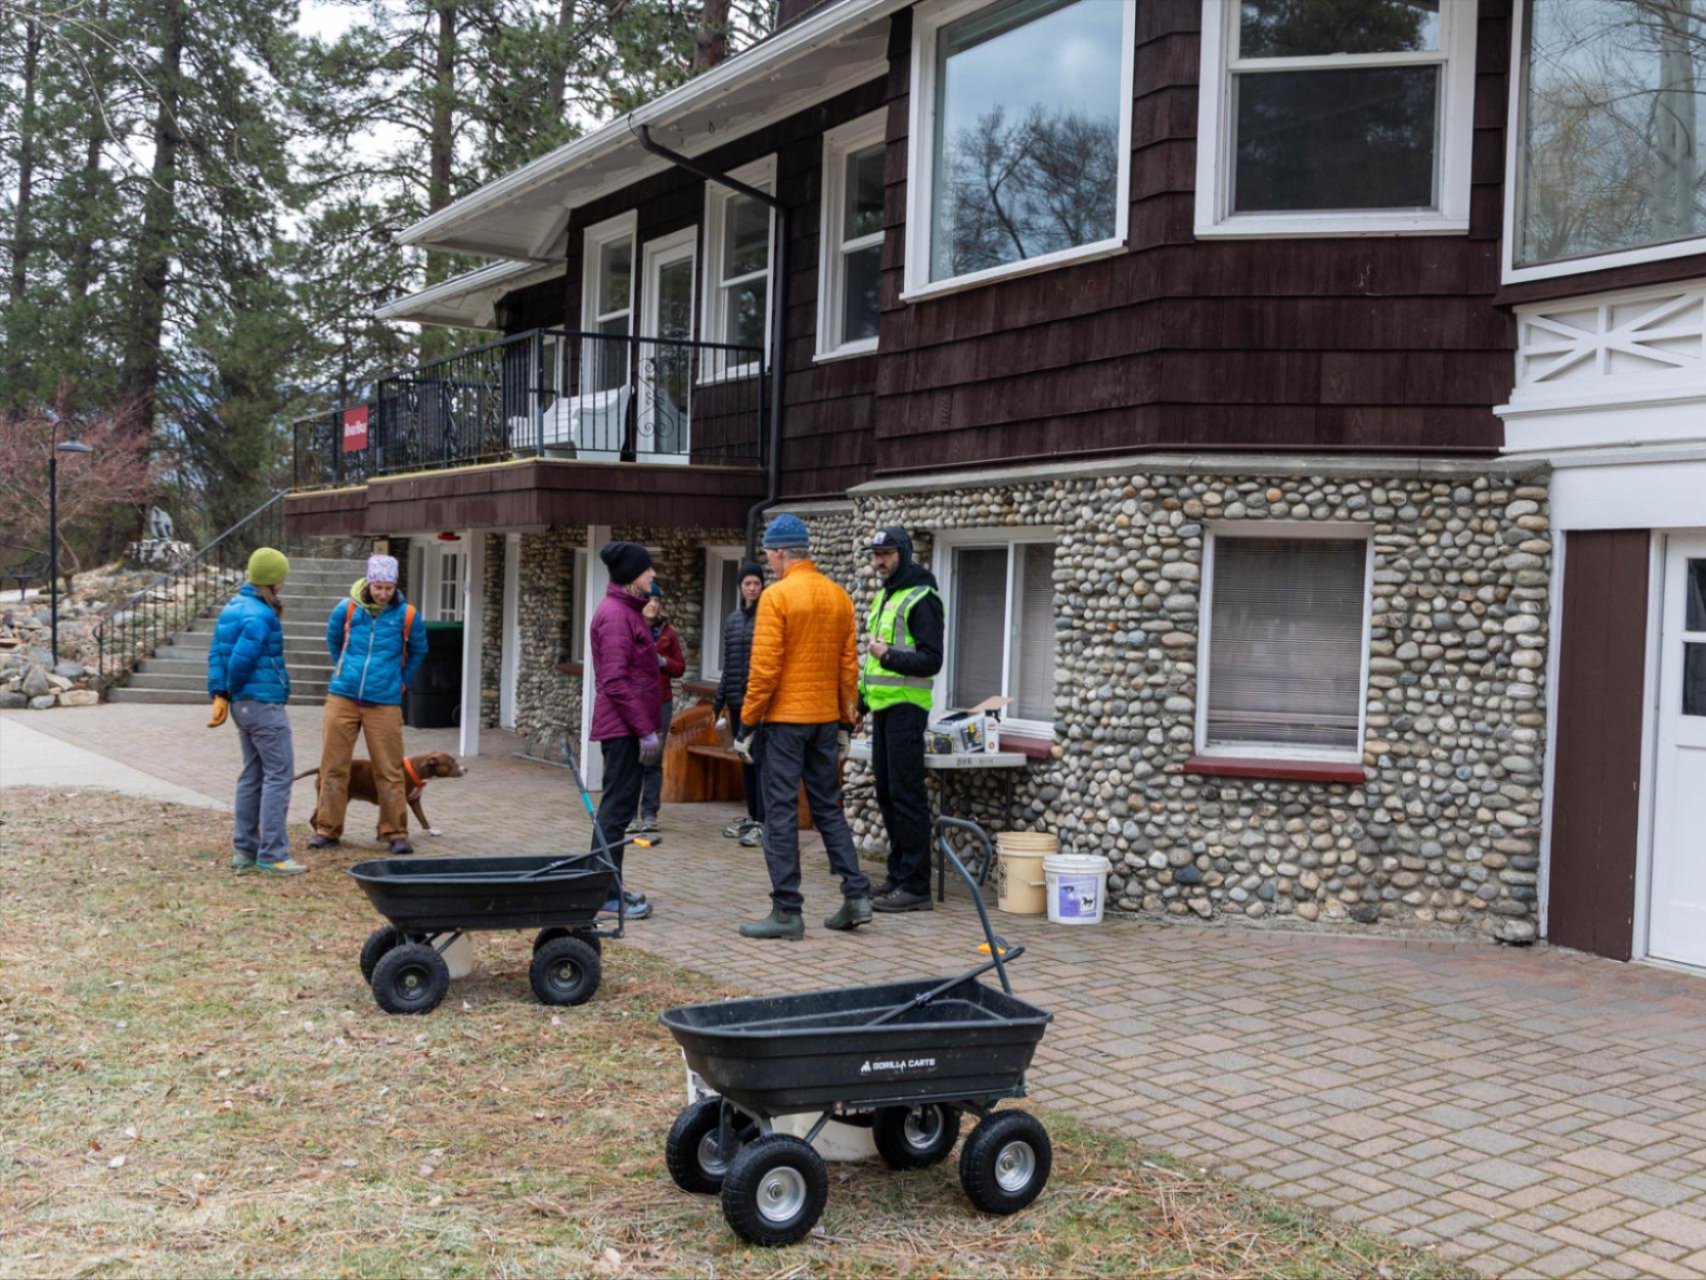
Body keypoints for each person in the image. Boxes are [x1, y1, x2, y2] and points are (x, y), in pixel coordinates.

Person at [735, 513, 872, 940]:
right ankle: (856, 895)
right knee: (828, 807)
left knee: (779, 813)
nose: (769, 564)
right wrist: (847, 721)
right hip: (825, 719)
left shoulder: (777, 598)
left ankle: (787, 911)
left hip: (784, 723)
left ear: (778, 554)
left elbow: (764, 670)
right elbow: (849, 668)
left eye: (769, 557)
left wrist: (746, 723)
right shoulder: (839, 597)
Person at [307, 553, 426, 856]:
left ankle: (395, 832)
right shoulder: (346, 609)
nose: (383, 593)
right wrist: (344, 669)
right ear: (369, 583)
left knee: (389, 770)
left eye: (388, 588)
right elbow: (334, 641)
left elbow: (418, 651)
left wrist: (401, 681)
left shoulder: (408, 615)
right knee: (333, 767)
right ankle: (327, 830)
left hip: (384, 701)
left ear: (395, 585)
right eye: (378, 587)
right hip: (343, 697)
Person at [859, 526, 945, 912]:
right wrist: (860, 705)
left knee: (907, 796)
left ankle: (916, 887)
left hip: (908, 710)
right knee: (888, 795)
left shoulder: (921, 597)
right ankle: (897, 874)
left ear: (904, 554)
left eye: (888, 554)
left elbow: (932, 660)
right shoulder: (886, 595)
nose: (880, 561)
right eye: (877, 554)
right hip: (883, 709)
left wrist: (889, 655)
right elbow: (872, 664)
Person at [207, 547, 303, 875]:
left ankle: (244, 852)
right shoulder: (261, 615)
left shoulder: (234, 606)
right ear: (274, 579)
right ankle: (273, 853)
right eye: (283, 575)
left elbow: (217, 654)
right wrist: (231, 686)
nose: (285, 580)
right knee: (279, 775)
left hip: (242, 706)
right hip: (262, 704)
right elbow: (239, 661)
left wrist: (221, 694)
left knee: (252, 775)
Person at [589, 539, 660, 920]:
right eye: (647, 569)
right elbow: (615, 682)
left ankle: (608, 886)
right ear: (632, 576)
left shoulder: (627, 611)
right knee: (615, 813)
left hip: (626, 728)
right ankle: (603, 895)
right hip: (622, 731)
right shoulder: (617, 616)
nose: (653, 574)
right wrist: (644, 730)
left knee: (616, 811)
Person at [713, 562, 765, 848]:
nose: (752, 588)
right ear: (741, 586)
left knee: (758, 760)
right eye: (748, 583)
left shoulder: (767, 617)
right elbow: (729, 663)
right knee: (744, 759)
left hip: (757, 703)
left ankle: (763, 821)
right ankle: (751, 815)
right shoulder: (733, 620)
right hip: (735, 700)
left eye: (757, 583)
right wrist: (718, 699)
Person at [635, 583, 685, 837]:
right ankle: (629, 814)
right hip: (634, 701)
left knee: (653, 759)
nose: (653, 604)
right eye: (648, 600)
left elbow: (680, 668)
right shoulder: (630, 628)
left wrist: (663, 661)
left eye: (656, 600)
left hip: (661, 702)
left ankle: (650, 814)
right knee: (633, 759)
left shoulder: (668, 634)